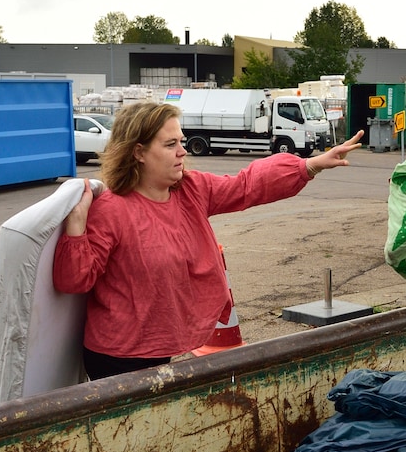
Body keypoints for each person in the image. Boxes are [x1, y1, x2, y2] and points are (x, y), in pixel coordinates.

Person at [53, 101, 364, 379]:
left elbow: (247, 185)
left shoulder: (190, 189)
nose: (182, 152)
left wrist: (309, 165)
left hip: (160, 348)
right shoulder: (111, 209)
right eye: (170, 144)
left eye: (182, 142)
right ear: (138, 152)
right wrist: (77, 225)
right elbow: (75, 280)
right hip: (118, 358)